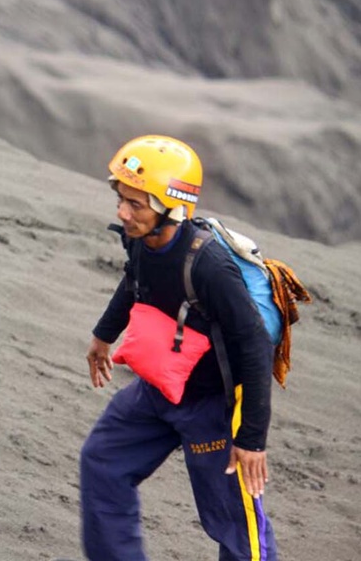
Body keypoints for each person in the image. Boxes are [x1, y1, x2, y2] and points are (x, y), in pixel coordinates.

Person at [79, 135, 277, 560]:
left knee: (234, 524)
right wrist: (103, 336)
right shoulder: (140, 240)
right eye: (121, 200)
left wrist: (251, 439)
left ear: (171, 206)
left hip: (211, 408)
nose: (122, 212)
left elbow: (254, 345)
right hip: (159, 390)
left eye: (135, 204)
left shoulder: (210, 266)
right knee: (103, 461)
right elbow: (133, 282)